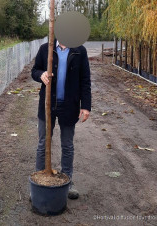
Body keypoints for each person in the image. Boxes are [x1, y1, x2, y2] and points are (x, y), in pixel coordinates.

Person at [31, 37, 91, 199]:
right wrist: (41, 74)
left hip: (69, 105)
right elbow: (34, 71)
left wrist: (85, 106)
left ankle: (68, 181)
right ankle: (39, 180)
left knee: (67, 145)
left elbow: (85, 80)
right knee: (43, 143)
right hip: (47, 104)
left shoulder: (79, 51)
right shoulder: (46, 49)